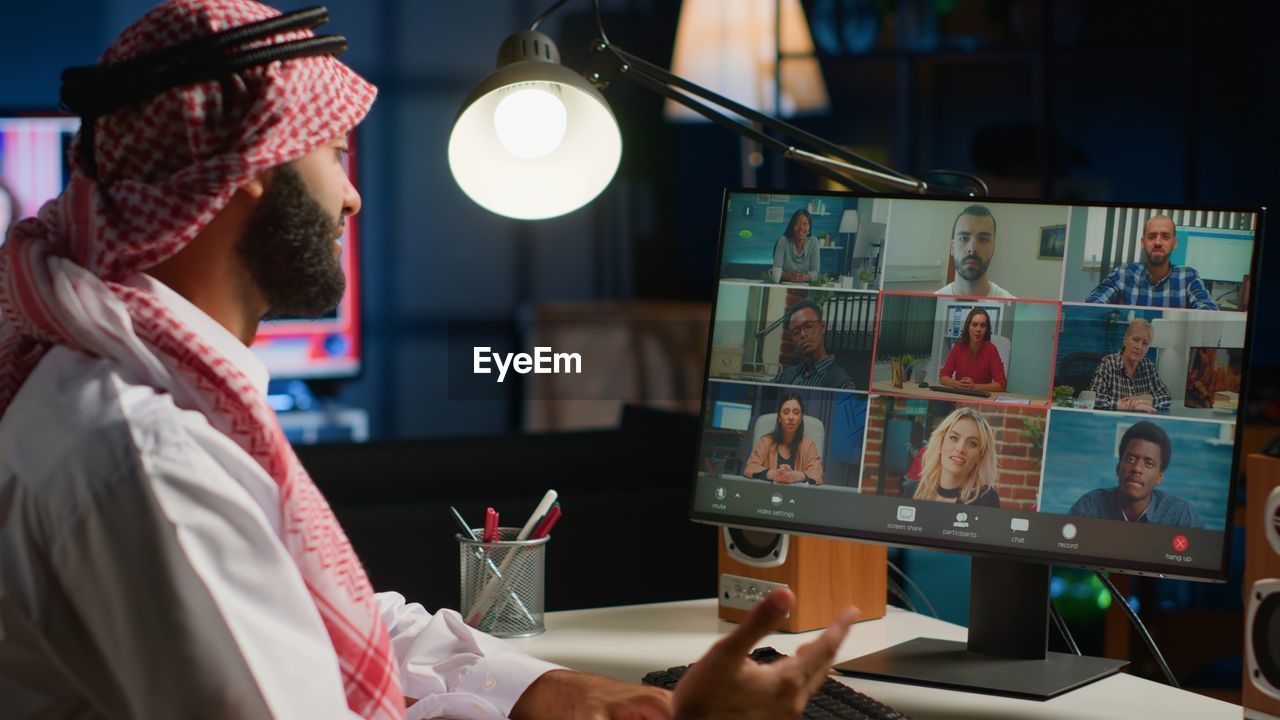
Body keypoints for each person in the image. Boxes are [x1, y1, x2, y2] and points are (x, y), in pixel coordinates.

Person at [0, 3, 858, 719]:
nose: (352, 194)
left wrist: (546, 691)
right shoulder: (146, 458)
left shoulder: (146, 388)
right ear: (252, 167)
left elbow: (325, 620)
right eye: (333, 155)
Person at [1068, 421, 1203, 528]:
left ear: (1159, 477)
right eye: (1130, 459)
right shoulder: (1090, 505)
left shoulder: (1181, 516)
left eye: (1148, 463)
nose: (1137, 468)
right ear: (1118, 467)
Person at [1085, 214, 1218, 309]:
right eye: (1152, 236)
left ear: (1174, 243)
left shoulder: (1189, 277)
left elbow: (1209, 312)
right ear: (1143, 243)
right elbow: (1092, 305)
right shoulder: (1123, 274)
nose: (1158, 242)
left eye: (1165, 237)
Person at [901, 408, 1001, 507]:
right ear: (940, 444)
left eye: (972, 443)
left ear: (980, 456)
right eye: (954, 438)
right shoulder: (912, 491)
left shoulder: (986, 499)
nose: (960, 449)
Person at [1087, 318, 1171, 413]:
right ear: (1125, 340)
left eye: (1145, 343)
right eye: (1135, 340)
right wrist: (1121, 404)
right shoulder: (1109, 363)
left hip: (1140, 424)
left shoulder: (1148, 367)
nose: (1139, 347)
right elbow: (1092, 398)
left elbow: (1167, 397)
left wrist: (1149, 399)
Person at [770, 300, 858, 389]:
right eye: (796, 332)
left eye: (808, 326)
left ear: (822, 327)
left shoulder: (842, 383)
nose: (803, 334)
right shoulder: (787, 376)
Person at [743, 393, 825, 485]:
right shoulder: (765, 441)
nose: (791, 417)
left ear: (801, 418)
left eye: (796, 413)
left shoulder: (808, 444)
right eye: (786, 412)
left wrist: (795, 476)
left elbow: (818, 474)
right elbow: (750, 468)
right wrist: (774, 474)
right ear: (779, 417)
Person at [935, 204, 1015, 298]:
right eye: (964, 238)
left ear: (993, 248)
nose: (972, 249)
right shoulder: (935, 300)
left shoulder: (1010, 303)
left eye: (983, 239)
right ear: (952, 247)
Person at [938, 307, 1007, 393]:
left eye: (982, 325)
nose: (978, 329)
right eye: (974, 325)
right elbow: (943, 376)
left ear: (986, 329)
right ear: (968, 327)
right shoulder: (958, 346)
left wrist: (975, 387)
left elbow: (1001, 384)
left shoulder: (991, 350)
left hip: (981, 399)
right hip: (960, 396)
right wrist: (956, 384)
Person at [772, 208, 820, 282]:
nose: (801, 227)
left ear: (809, 227)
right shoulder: (783, 240)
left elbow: (816, 273)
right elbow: (776, 270)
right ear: (792, 226)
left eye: (805, 224)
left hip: (805, 287)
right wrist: (788, 276)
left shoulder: (813, 241)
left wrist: (806, 277)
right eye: (797, 223)